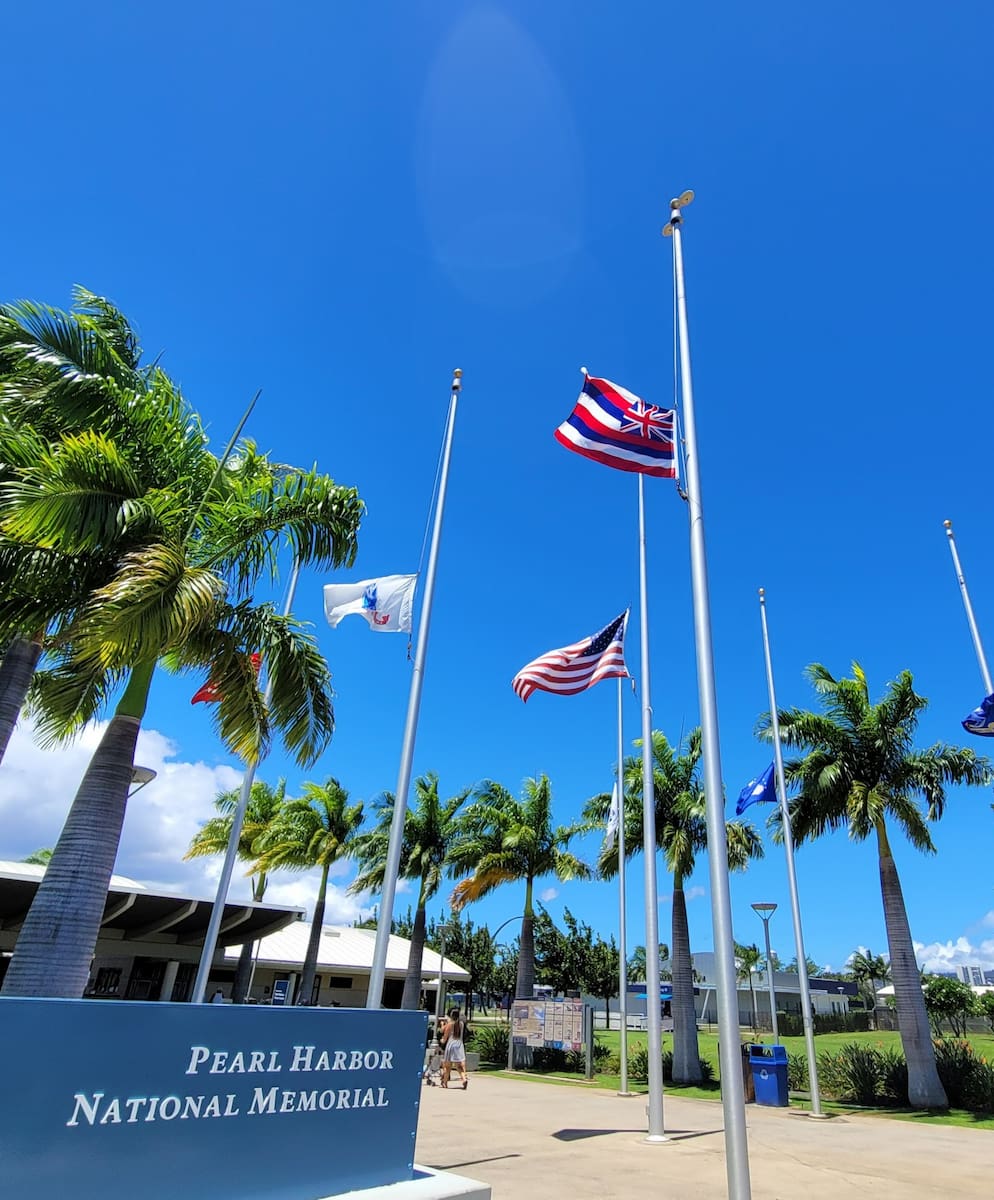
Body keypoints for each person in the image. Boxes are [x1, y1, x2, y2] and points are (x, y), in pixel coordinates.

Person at [440, 1006, 468, 1090]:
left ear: (451, 1016)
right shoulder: (461, 1024)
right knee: (459, 1065)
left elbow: (444, 1037)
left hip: (451, 1044)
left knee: (447, 1066)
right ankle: (464, 1079)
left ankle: (445, 1082)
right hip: (459, 1045)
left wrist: (441, 1040)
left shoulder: (450, 1024)